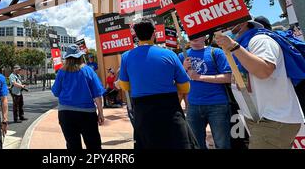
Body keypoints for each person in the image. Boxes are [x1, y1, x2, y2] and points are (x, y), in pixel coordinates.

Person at [215, 20, 304, 149]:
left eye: (226, 25)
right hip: (259, 119)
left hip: (274, 120)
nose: (223, 30)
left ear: (243, 23)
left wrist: (234, 46)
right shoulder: (242, 44)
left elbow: (264, 71)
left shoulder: (260, 40)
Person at [119, 18, 197, 149]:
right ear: (154, 33)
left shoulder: (126, 56)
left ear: (136, 36)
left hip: (142, 111)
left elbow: (125, 86)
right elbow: (185, 87)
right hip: (170, 110)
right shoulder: (169, 54)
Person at [178, 36, 232, 149]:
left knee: (222, 144)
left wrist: (199, 77)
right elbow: (177, 80)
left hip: (218, 105)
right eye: (191, 34)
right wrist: (183, 69)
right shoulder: (182, 56)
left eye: (197, 34)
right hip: (193, 105)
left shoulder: (216, 52)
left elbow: (228, 77)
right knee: (196, 145)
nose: (193, 37)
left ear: (205, 36)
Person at [51, 44, 105, 150]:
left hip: (66, 113)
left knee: (73, 146)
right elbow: (97, 94)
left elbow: (56, 92)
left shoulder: (61, 72)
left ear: (67, 57)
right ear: (80, 56)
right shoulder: (88, 70)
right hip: (87, 114)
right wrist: (101, 113)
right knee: (94, 145)